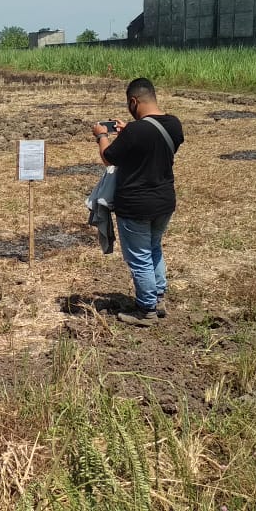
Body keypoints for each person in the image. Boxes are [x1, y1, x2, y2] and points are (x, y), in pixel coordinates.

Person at [91, 78, 184, 327]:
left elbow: (109, 157)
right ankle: (158, 298)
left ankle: (146, 310)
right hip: (164, 202)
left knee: (140, 257)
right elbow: (149, 147)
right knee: (154, 248)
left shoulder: (134, 131)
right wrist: (128, 132)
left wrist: (102, 136)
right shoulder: (174, 124)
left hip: (135, 205)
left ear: (133, 102)